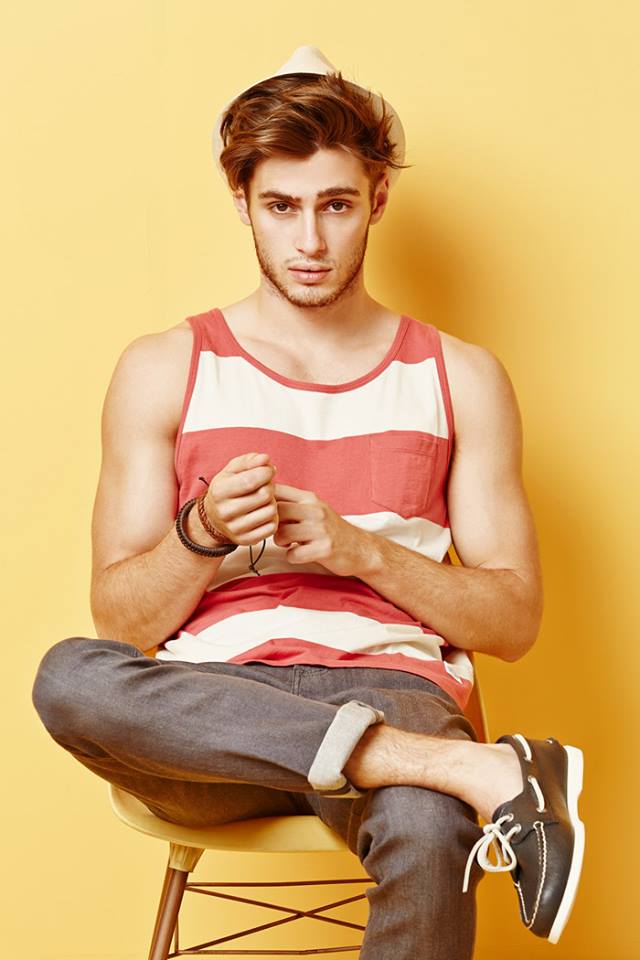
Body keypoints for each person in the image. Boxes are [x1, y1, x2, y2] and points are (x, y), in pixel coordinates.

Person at [31, 45, 584, 959]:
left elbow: (514, 621)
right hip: (214, 714)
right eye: (282, 208)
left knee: (429, 830)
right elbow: (121, 623)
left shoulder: (461, 377)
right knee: (69, 676)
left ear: (378, 199)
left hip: (393, 685)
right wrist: (201, 534)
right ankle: (473, 771)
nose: (311, 242)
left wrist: (363, 552)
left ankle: (428, 771)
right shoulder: (166, 368)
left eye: (336, 205)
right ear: (243, 202)